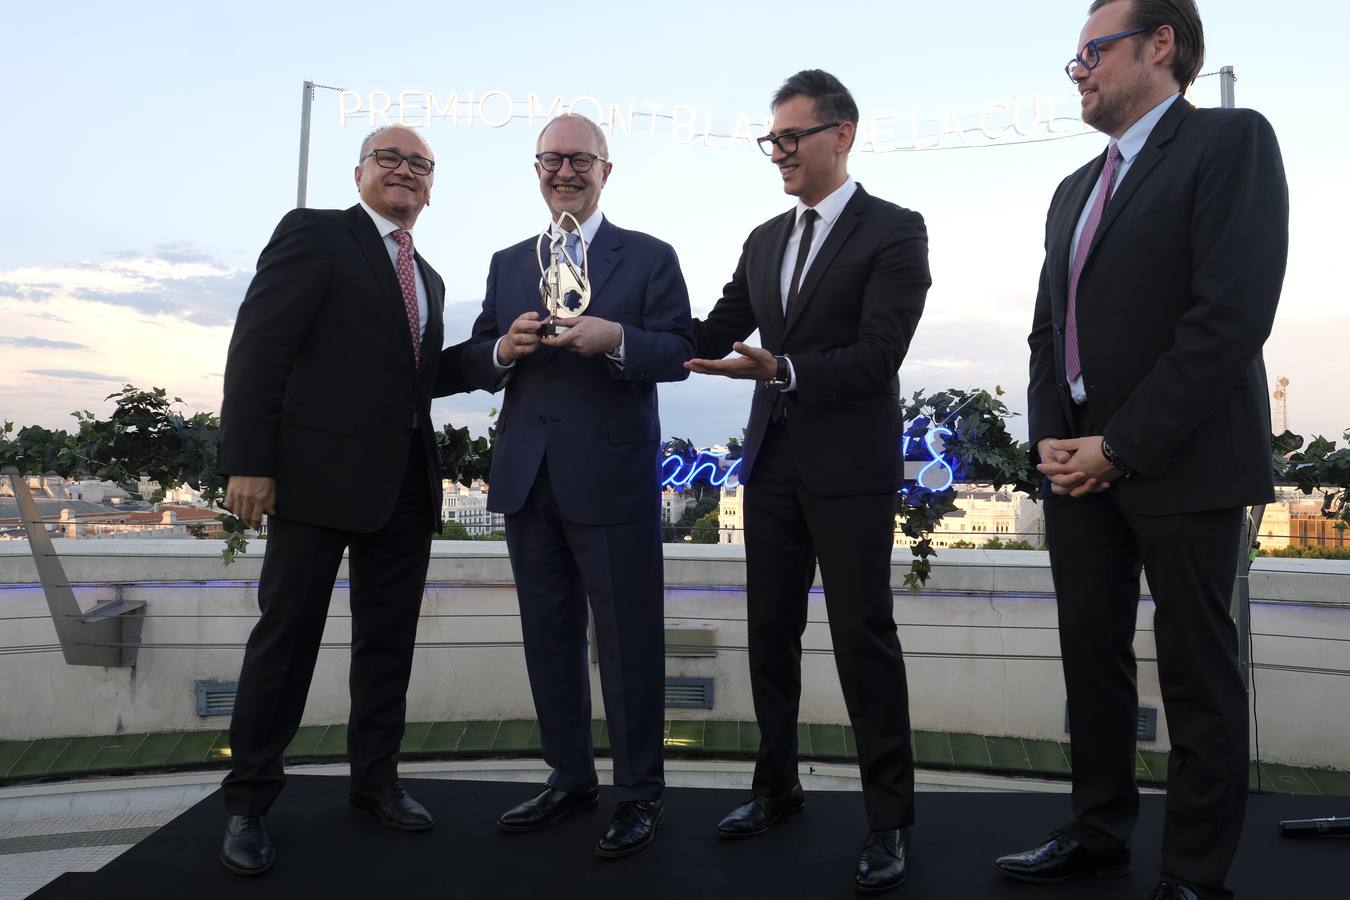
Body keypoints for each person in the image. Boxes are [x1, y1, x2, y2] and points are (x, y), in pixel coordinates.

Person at [997, 2, 1288, 898]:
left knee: (1198, 671)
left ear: (1162, 44)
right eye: (1073, 59)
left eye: (1092, 51)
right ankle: (1097, 831)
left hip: (1184, 462)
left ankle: (1195, 872)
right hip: (1075, 473)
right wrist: (1055, 443)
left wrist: (1119, 446)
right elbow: (1052, 330)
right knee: (1091, 657)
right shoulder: (1072, 190)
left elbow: (1228, 317)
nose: (1077, 71)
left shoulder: (1231, 142)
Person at [686, 69, 929, 895]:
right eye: (773, 139)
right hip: (773, 468)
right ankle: (776, 788)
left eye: (791, 137)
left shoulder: (895, 231)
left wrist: (783, 368)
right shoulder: (763, 240)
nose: (779, 153)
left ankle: (889, 821)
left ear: (842, 135)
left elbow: (879, 353)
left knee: (865, 641)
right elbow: (709, 331)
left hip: (851, 470)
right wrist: (618, 334)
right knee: (769, 635)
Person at [216, 125, 472, 875]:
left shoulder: (428, 277)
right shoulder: (315, 235)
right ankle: (249, 802)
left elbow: (416, 378)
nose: (405, 171)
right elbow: (259, 346)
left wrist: (497, 354)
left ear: (432, 184)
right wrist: (250, 462)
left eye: (419, 164)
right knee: (286, 640)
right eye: (389, 159)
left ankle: (375, 783)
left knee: (387, 645)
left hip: (402, 486)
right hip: (312, 480)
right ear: (358, 172)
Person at [462, 113, 693, 858]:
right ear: (536, 170)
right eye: (551, 159)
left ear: (606, 170)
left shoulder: (650, 257)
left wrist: (616, 339)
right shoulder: (506, 262)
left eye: (580, 159)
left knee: (629, 645)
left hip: (614, 480)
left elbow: (682, 350)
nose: (565, 171)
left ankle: (639, 794)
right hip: (529, 481)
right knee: (549, 642)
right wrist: (503, 346)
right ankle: (569, 780)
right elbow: (473, 354)